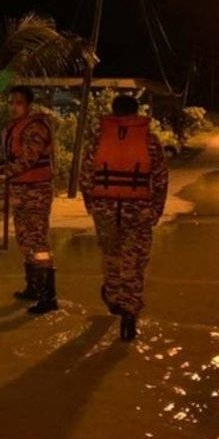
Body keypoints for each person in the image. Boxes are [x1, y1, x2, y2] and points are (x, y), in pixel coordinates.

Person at [80, 94, 169, 341]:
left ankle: (113, 297)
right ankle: (129, 313)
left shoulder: (98, 140)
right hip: (138, 211)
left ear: (113, 112)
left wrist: (93, 207)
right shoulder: (150, 141)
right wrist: (156, 211)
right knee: (134, 262)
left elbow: (86, 177)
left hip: (105, 210)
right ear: (137, 112)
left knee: (111, 256)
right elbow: (160, 180)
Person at [0, 85, 57, 314]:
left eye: (18, 103)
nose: (14, 107)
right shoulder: (13, 127)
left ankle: (48, 296)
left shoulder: (36, 128)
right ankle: (33, 287)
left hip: (36, 191)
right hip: (20, 191)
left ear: (28, 105)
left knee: (39, 242)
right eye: (11, 102)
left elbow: (28, 159)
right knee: (25, 240)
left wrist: (4, 172)